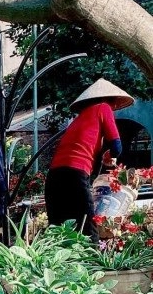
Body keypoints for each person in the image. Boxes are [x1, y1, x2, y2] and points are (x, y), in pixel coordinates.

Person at [45, 78, 133, 242]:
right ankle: (94, 264)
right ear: (112, 101)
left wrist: (104, 154)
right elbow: (117, 147)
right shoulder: (103, 108)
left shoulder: (80, 119)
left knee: (58, 227)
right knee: (87, 224)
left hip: (54, 176)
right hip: (75, 174)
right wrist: (111, 154)